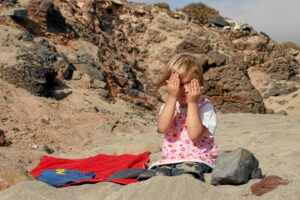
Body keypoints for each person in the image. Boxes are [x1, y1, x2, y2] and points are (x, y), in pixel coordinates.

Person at [138, 53, 218, 182]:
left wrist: (192, 102)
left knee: (187, 173)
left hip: (197, 158)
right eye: (180, 85)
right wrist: (171, 97)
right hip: (170, 158)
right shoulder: (170, 105)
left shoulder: (205, 107)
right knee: (158, 175)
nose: (185, 90)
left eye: (190, 84)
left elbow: (194, 134)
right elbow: (163, 128)